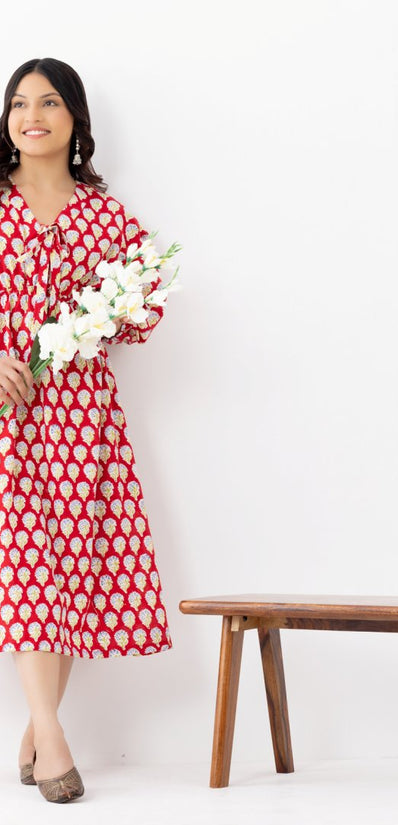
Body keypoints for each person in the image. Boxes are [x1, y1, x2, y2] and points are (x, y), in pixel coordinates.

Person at [0, 58, 173, 804]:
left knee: (67, 568)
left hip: (80, 415)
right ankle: (53, 734)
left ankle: (37, 734)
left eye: (48, 102)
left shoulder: (107, 217)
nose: (31, 116)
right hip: (7, 414)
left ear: (75, 118)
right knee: (24, 567)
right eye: (18, 103)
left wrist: (110, 312)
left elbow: (143, 311)